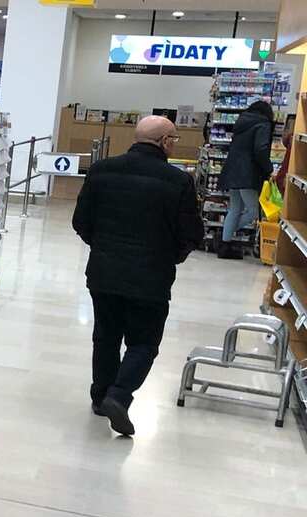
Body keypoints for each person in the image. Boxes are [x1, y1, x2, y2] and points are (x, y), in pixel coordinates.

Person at [73, 115, 202, 436]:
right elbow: (191, 233)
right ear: (164, 142)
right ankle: (118, 395)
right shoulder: (178, 181)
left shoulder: (101, 170)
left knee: (106, 335)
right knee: (143, 342)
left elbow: (80, 221)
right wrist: (170, 256)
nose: (175, 143)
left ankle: (101, 395)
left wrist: (103, 246)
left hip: (103, 272)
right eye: (173, 138)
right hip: (152, 276)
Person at [218, 100, 275, 253]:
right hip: (248, 174)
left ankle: (224, 243)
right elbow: (261, 149)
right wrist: (270, 169)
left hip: (232, 171)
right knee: (253, 211)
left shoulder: (241, 123)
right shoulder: (263, 124)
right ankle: (223, 237)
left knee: (235, 209)